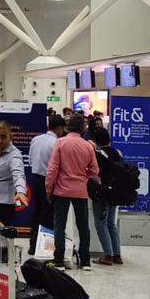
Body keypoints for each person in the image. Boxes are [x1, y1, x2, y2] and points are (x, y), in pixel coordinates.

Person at [46, 114, 99, 270]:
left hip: (61, 190)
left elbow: (53, 169)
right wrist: (84, 176)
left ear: (68, 127)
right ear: (83, 128)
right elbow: (95, 170)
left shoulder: (60, 143)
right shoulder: (87, 146)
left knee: (59, 225)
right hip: (80, 191)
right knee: (83, 226)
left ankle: (59, 260)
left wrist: (49, 188)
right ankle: (85, 261)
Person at [28, 115, 65, 255]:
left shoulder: (36, 139)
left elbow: (30, 160)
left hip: (35, 177)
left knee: (36, 211)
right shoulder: (57, 143)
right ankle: (45, 248)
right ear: (59, 128)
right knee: (48, 214)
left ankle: (33, 245)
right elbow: (57, 165)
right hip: (49, 179)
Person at [90, 129, 124, 266]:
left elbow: (93, 173)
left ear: (96, 141)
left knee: (100, 223)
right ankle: (117, 255)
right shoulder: (118, 153)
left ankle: (108, 255)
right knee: (111, 223)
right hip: (115, 192)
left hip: (101, 192)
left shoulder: (97, 155)